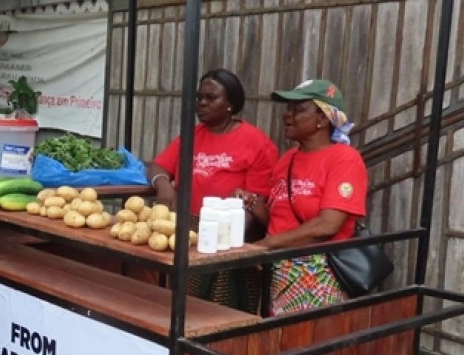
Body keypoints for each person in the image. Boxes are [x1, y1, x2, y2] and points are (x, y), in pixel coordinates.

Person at [146, 70, 277, 311]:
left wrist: (224, 238)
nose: (202, 103)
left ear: (230, 104)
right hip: (188, 233)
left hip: (232, 239)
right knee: (183, 306)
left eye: (211, 97)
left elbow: (255, 200)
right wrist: (164, 186)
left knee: (221, 311)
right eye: (199, 97)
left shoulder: (257, 143)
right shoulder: (191, 135)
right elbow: (159, 165)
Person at [244, 79, 368, 316]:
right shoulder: (288, 158)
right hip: (277, 273)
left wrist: (265, 245)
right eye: (288, 108)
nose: (287, 115)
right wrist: (253, 204)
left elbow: (327, 225)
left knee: (304, 337)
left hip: (317, 276)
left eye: (298, 109)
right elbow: (280, 221)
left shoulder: (344, 159)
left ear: (323, 118)